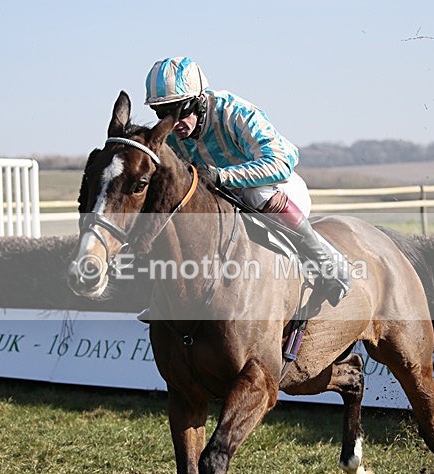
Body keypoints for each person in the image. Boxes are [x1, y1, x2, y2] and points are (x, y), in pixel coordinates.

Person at [144, 56, 349, 305]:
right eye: (161, 112)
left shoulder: (235, 112)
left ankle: (327, 262)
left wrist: (222, 176)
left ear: (199, 101)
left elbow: (280, 164)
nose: (173, 122)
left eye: (180, 110)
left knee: (256, 193)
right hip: (220, 198)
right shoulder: (171, 135)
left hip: (276, 189)